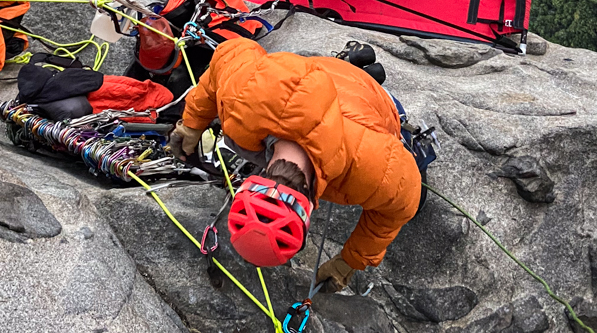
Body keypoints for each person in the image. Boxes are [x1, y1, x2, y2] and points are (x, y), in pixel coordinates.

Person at [166, 37, 422, 293]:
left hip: (367, 98)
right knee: (235, 139)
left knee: (417, 187)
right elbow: (229, 53)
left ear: (310, 209)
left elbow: (403, 204)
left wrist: (350, 263)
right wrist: (191, 124)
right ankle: (346, 64)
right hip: (307, 76)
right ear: (249, 184)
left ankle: (358, 72)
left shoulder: (372, 165)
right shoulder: (242, 108)